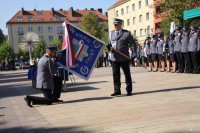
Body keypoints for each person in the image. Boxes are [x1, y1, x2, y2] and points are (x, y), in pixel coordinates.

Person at [107, 18, 137, 96]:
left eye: (116, 24)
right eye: (114, 24)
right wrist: (108, 47)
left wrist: (134, 53)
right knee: (115, 74)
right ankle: (117, 90)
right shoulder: (111, 34)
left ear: (120, 24)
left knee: (127, 74)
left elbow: (133, 44)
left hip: (124, 57)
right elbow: (109, 44)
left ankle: (129, 90)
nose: (115, 26)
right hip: (114, 57)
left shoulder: (126, 33)